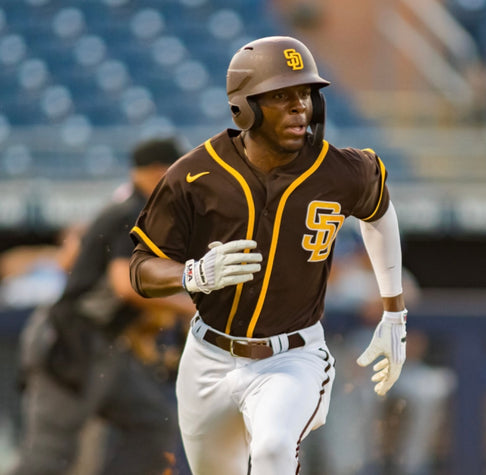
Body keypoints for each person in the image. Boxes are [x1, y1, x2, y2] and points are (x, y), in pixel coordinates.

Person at [129, 36, 409, 475]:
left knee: (275, 449)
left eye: (305, 93)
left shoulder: (342, 169)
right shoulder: (194, 174)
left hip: (292, 356)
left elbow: (379, 212)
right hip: (208, 357)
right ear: (245, 107)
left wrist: (394, 312)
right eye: (282, 96)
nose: (301, 107)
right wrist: (193, 274)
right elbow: (141, 268)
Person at [7, 138, 196, 475]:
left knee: (152, 424)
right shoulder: (133, 212)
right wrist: (190, 305)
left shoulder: (136, 208)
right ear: (159, 171)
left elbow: (76, 261)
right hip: (71, 339)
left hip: (103, 344)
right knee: (48, 456)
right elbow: (126, 285)